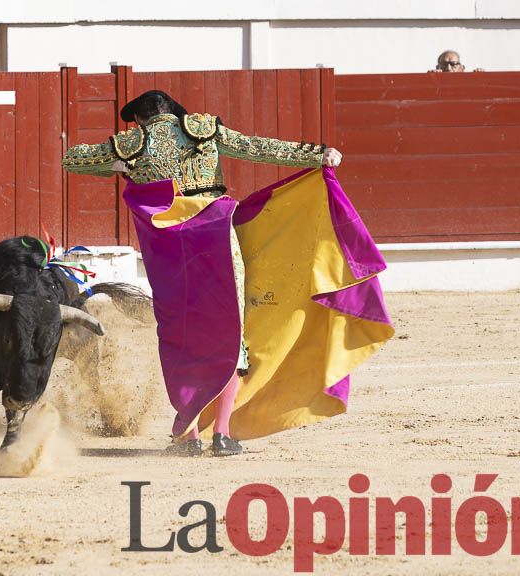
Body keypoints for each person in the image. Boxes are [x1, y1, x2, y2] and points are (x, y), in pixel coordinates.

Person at [61, 89, 346, 457]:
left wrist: (115, 165)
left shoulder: (131, 143)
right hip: (216, 240)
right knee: (229, 328)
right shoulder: (204, 131)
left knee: (181, 335)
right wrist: (315, 155)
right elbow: (257, 148)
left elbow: (72, 160)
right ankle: (223, 434)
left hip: (169, 252)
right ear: (177, 114)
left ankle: (189, 436)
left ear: (141, 119)